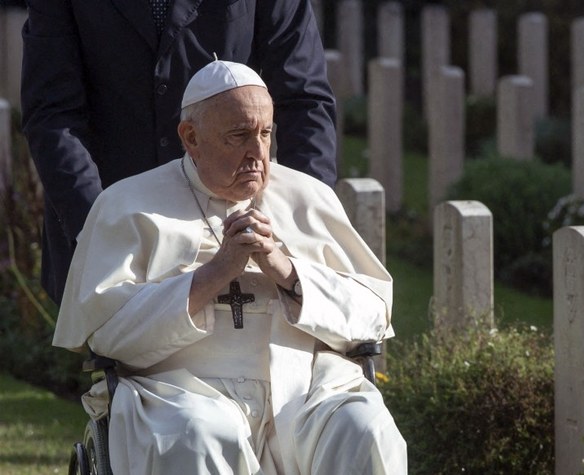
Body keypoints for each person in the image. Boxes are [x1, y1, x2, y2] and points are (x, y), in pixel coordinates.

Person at [52, 60, 406, 474]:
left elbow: (372, 314)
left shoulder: (310, 198)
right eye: (238, 136)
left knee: (364, 427)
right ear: (191, 138)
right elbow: (108, 334)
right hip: (180, 392)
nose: (257, 153)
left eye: (266, 133)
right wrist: (216, 273)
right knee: (197, 433)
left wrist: (286, 271)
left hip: (306, 394)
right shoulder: (127, 205)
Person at [21, 0, 337, 305]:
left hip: (240, 221)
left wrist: (300, 223)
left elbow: (303, 101)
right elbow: (54, 113)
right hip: (111, 230)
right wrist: (100, 229)